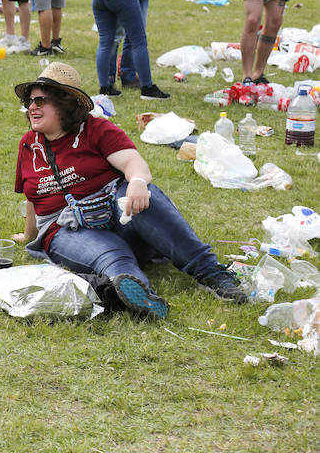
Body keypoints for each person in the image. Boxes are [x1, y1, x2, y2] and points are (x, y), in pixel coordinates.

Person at [12, 63, 247, 320]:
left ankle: (211, 272)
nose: (31, 107)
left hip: (116, 213)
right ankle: (138, 292)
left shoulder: (96, 129)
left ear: (64, 103)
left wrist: (136, 182)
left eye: (40, 100)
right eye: (29, 101)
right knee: (111, 254)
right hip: (66, 228)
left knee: (143, 195)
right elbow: (32, 197)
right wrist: (28, 235)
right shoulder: (28, 144)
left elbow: (134, 164)